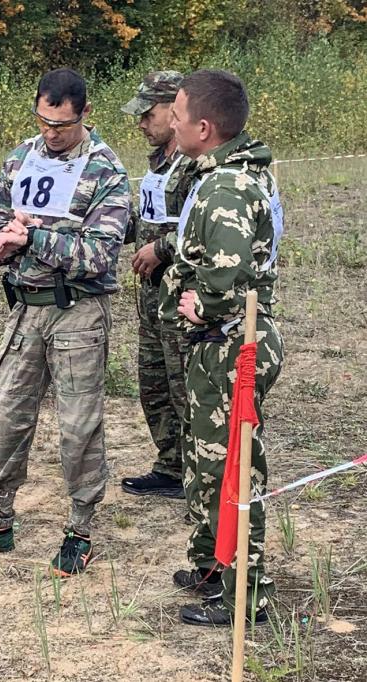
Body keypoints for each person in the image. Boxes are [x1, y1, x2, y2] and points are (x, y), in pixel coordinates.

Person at [0, 68, 130, 576]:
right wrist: (0, 241)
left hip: (78, 312)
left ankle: (80, 529)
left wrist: (32, 238)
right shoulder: (21, 157)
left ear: (85, 114)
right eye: (43, 121)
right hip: (26, 308)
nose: (51, 132)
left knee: (78, 426)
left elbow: (99, 255)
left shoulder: (106, 170)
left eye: (61, 125)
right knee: (5, 416)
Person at [160, 69, 284, 626]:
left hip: (230, 345)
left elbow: (228, 276)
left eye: (177, 116)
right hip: (217, 347)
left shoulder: (227, 187)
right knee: (206, 464)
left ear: (204, 128)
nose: (171, 124)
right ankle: (214, 565)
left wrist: (199, 304)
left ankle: (245, 595)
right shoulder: (226, 174)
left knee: (231, 470)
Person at [119, 71, 190, 499]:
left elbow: (210, 227)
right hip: (152, 299)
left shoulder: (199, 164)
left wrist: (162, 248)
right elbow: (150, 217)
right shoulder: (158, 162)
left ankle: (198, 476)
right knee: (155, 385)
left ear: (175, 109)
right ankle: (170, 466)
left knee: (185, 389)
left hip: (183, 299)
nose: (142, 123)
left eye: (148, 114)